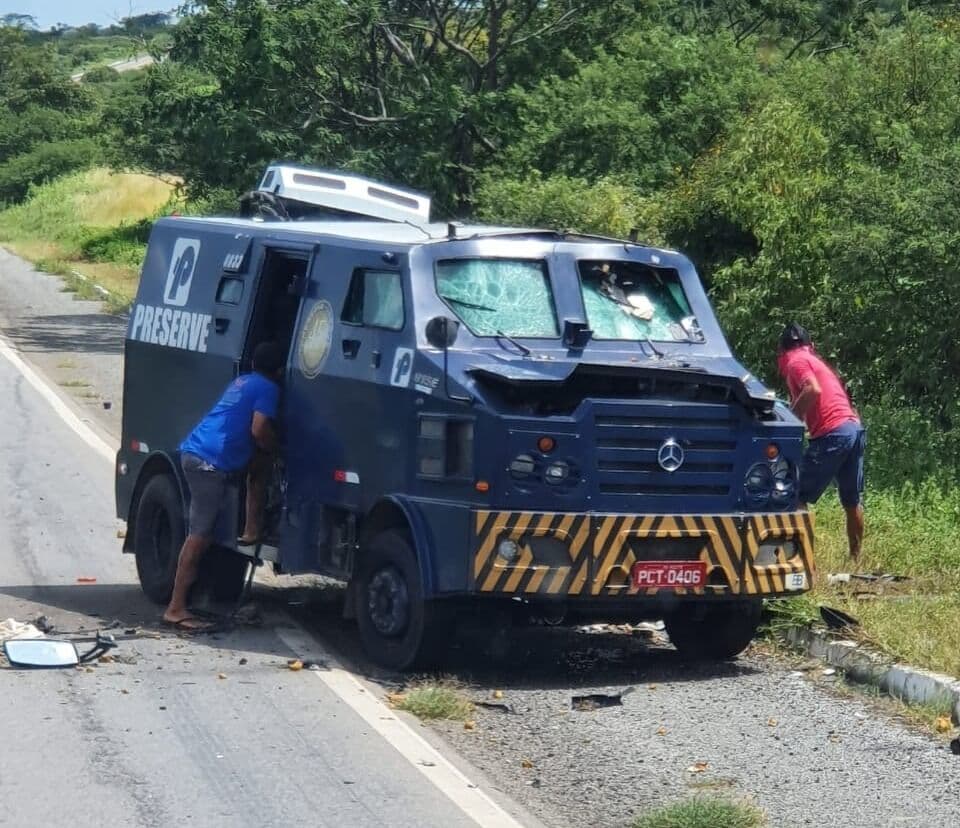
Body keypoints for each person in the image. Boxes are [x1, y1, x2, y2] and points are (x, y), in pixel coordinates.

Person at [162, 342, 284, 630]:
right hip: (209, 463)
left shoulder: (243, 381)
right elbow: (258, 429)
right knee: (199, 537)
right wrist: (276, 448)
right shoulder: (268, 388)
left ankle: (251, 530)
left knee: (257, 470)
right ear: (279, 371)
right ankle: (176, 608)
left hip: (196, 453)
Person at [777, 323, 865, 562]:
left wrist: (789, 421)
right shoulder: (815, 361)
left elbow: (813, 390)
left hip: (833, 432)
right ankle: (856, 559)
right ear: (810, 345)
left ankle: (802, 561)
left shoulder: (794, 361)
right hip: (852, 427)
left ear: (782, 351)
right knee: (852, 500)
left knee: (795, 495)